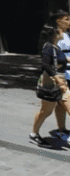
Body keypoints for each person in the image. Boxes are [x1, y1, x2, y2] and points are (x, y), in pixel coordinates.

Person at [31, 12, 70, 145]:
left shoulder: (55, 47)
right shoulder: (48, 47)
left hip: (61, 84)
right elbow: (46, 64)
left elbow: (63, 60)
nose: (61, 33)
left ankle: (61, 130)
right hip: (52, 83)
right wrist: (56, 78)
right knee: (45, 111)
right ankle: (34, 133)